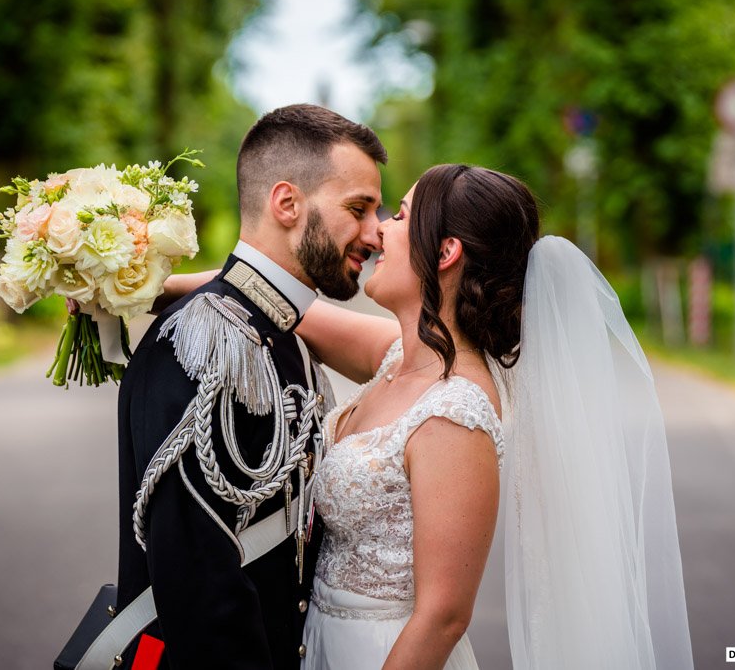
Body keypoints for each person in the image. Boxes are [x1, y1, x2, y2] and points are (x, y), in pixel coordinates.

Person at [167, 164, 694, 669]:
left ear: (445, 252)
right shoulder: (398, 357)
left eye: (398, 216)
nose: (377, 234)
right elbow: (269, 296)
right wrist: (143, 283)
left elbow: (443, 616)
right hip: (319, 641)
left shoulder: (455, 412)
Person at [116, 103, 387, 669]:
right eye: (358, 209)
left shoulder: (282, 330)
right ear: (287, 203)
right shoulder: (201, 340)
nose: (375, 234)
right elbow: (200, 590)